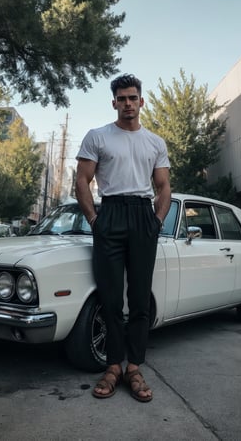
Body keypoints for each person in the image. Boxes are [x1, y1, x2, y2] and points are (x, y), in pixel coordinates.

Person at [75, 73, 171, 402]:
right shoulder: (97, 137)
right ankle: (113, 365)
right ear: (113, 102)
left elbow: (163, 187)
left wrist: (156, 221)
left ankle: (135, 367)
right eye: (121, 98)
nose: (127, 103)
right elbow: (82, 181)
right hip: (110, 215)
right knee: (112, 299)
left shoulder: (155, 142)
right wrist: (94, 219)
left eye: (133, 98)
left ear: (141, 101)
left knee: (140, 300)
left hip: (143, 216)